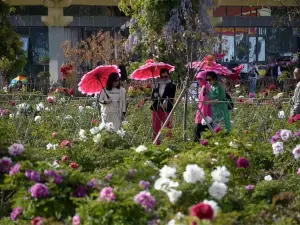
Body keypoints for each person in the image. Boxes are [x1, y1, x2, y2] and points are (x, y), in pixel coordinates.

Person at [151, 68, 176, 145]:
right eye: (162, 77)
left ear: (168, 76)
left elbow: (172, 96)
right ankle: (156, 143)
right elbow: (153, 97)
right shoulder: (156, 84)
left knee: (168, 125)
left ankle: (168, 144)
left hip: (167, 107)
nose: (164, 78)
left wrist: (166, 101)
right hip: (157, 107)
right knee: (156, 125)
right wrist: (154, 89)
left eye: (165, 76)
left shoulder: (172, 85)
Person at [194, 71, 212, 142]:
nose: (199, 81)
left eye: (200, 79)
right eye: (198, 79)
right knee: (206, 135)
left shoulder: (205, 88)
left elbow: (205, 102)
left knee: (197, 134)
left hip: (203, 116)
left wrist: (204, 116)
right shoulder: (205, 86)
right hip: (203, 115)